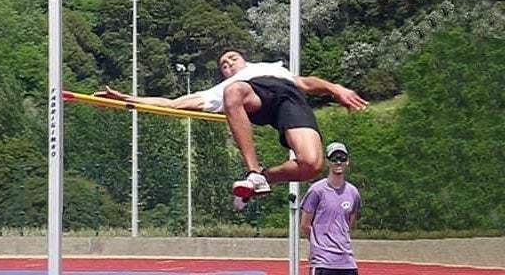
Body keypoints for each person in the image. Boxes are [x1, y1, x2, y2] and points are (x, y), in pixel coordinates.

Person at [94, 49, 367, 209]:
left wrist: (335, 89)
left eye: (232, 59)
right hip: (253, 97)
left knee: (310, 165)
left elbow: (306, 84)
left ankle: (260, 178)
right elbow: (174, 103)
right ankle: (251, 168)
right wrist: (128, 99)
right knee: (233, 93)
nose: (228, 65)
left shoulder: (270, 68)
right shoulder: (223, 89)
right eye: (223, 65)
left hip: (288, 98)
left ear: (245, 60)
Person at [300, 142, 362, 275]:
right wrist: (317, 245)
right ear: (327, 162)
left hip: (347, 262)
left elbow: (348, 224)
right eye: (334, 159)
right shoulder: (317, 191)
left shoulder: (353, 192)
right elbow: (305, 225)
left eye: (342, 158)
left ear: (347, 161)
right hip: (323, 262)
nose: (338, 162)